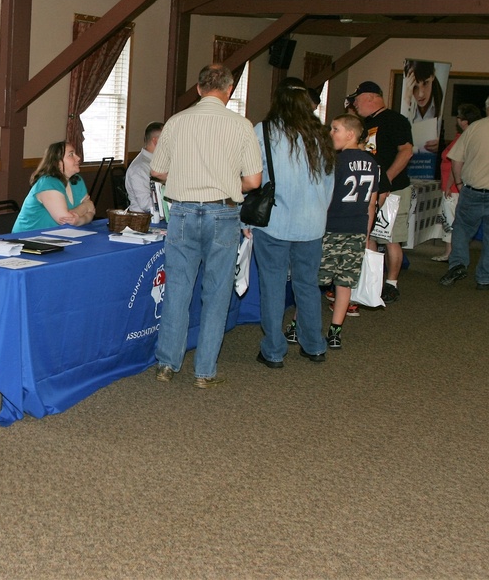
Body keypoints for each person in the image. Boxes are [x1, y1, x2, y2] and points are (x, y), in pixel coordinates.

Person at [150, 63, 262, 388]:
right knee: (216, 293)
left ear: (198, 89)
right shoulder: (241, 125)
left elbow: (157, 171)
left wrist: (186, 179)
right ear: (229, 91)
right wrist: (225, 182)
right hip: (223, 214)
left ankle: (167, 365)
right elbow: (253, 180)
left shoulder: (176, 122)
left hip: (182, 213)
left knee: (178, 291)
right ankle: (204, 373)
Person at [250, 80, 335, 368]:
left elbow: (253, 175)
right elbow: (328, 182)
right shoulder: (321, 134)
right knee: (307, 284)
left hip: (274, 220)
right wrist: (317, 212)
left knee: (272, 285)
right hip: (312, 223)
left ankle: (273, 351)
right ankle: (314, 346)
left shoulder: (263, 131)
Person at [313, 114, 379, 350]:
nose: (331, 134)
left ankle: (297, 325)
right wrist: (367, 234)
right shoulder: (372, 162)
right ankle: (335, 331)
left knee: (314, 281)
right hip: (358, 229)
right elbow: (372, 203)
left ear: (350, 134)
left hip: (332, 228)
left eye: (335, 129)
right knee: (344, 282)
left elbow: (325, 198)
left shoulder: (335, 161)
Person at [348, 80, 412, 303]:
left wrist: (387, 180)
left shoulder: (395, 120)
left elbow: (406, 151)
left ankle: (391, 283)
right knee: (370, 235)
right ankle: (372, 280)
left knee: (391, 237)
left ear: (370, 97)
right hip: (370, 189)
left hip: (394, 189)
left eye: (357, 99)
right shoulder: (366, 123)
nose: (354, 104)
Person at [440, 111, 489, 290]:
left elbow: (456, 160)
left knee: (462, 229)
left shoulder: (475, 128)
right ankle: (484, 278)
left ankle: (458, 263)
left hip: (472, 190)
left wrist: (458, 182)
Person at [10, 141, 96, 232]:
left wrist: (79, 220)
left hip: (58, 237)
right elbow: (65, 220)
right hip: (26, 239)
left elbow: (92, 212)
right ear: (57, 162)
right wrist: (86, 206)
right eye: (71, 154)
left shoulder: (77, 181)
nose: (78, 158)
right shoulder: (48, 182)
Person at [433, 104, 481, 261]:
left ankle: (450, 253)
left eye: (459, 117)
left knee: (451, 220)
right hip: (453, 185)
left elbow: (457, 162)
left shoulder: (464, 137)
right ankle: (450, 252)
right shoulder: (461, 136)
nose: (457, 120)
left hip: (453, 187)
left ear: (465, 121)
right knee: (451, 219)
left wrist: (450, 185)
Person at [125, 121, 162, 214]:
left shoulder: (159, 162)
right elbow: (145, 204)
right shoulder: (139, 167)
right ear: (156, 141)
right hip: (142, 220)